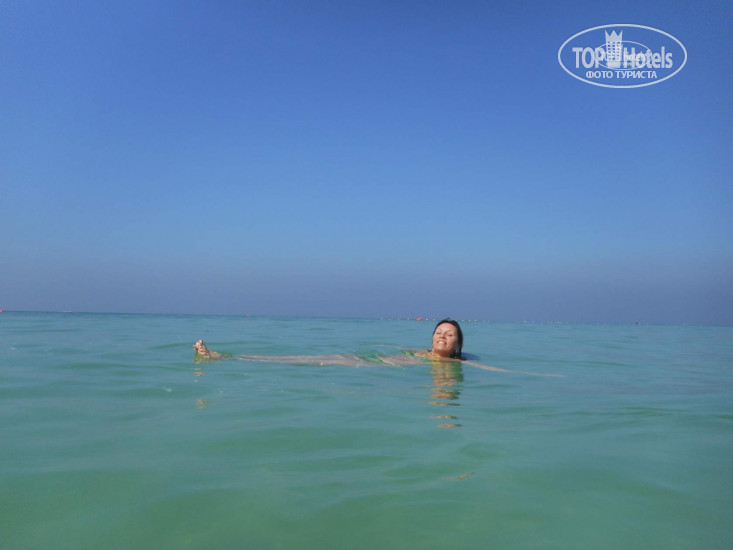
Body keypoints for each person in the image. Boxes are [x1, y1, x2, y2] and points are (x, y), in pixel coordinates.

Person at [193, 318, 557, 376]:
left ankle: (226, 357)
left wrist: (534, 375)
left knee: (314, 362)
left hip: (373, 368)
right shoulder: (422, 354)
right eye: (438, 332)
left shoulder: (458, 365)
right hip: (372, 361)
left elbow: (487, 369)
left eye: (449, 335)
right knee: (310, 359)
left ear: (459, 344)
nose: (442, 337)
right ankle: (227, 356)